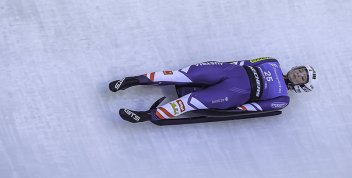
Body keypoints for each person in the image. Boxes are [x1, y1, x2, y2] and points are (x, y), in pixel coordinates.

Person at [109, 57, 317, 122]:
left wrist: (226, 110)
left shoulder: (283, 99)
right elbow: (242, 61)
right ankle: (132, 80)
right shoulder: (272, 62)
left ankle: (146, 116)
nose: (298, 74)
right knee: (180, 75)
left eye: (302, 78)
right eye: (300, 71)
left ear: (301, 86)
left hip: (235, 93)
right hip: (229, 71)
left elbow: (254, 109)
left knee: (190, 102)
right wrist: (216, 64)